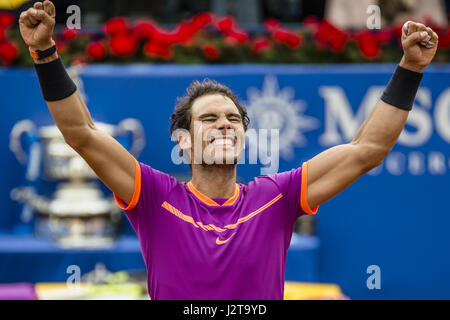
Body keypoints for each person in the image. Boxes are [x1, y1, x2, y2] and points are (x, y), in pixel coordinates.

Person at [19, 1, 438, 300]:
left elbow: (368, 148)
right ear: (182, 141)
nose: (223, 125)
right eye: (208, 119)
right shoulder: (153, 196)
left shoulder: (278, 196)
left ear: (243, 138)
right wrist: (44, 53)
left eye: (233, 120)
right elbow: (82, 134)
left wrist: (410, 69)